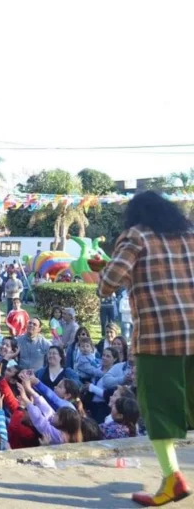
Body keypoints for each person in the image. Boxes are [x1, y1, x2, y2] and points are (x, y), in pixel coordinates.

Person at [98, 191, 194, 506]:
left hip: (159, 338)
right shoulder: (189, 235)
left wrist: (101, 272)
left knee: (159, 411)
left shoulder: (137, 236)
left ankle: (172, 480)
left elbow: (110, 282)